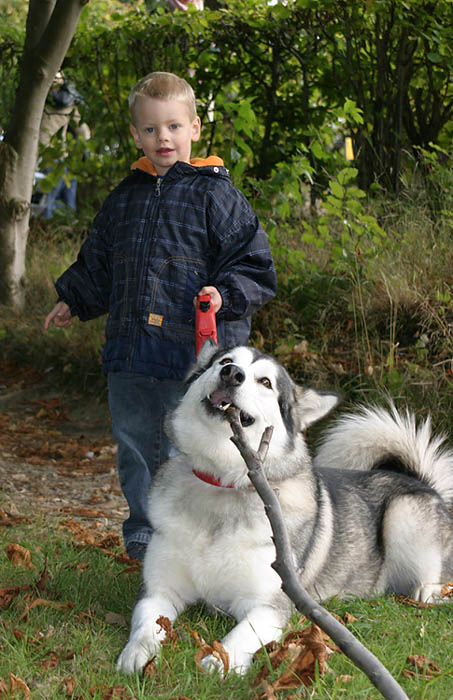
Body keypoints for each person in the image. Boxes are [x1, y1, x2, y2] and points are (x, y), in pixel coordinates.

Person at [44, 72, 276, 560]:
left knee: (190, 450)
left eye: (173, 126)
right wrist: (75, 298)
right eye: (150, 129)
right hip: (130, 355)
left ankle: (200, 539)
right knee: (135, 445)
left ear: (194, 127)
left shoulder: (217, 197)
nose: (162, 138)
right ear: (135, 134)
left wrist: (225, 291)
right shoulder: (123, 200)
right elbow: (100, 262)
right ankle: (146, 533)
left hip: (192, 359)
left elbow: (253, 264)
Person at [38, 72, 90, 218]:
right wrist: (84, 150)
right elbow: (83, 131)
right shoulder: (69, 104)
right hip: (59, 155)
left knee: (47, 198)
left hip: (39, 155)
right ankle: (66, 232)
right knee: (66, 198)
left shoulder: (37, 100)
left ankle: (46, 232)